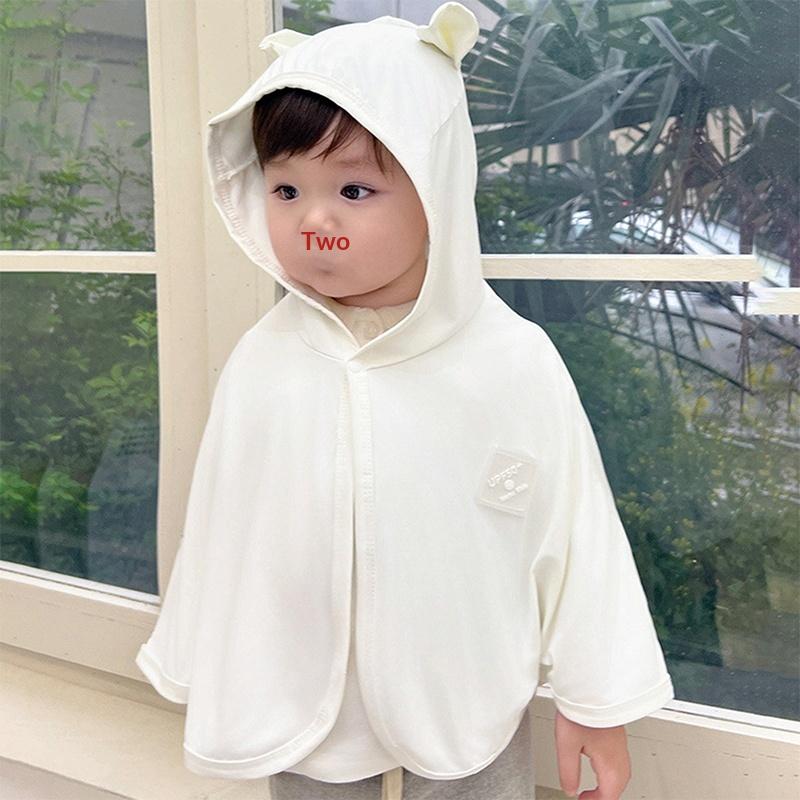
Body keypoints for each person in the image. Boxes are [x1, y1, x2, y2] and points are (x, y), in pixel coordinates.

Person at [135, 4, 675, 800]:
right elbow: (221, 523)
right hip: (299, 696)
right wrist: (199, 656)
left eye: (354, 188)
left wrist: (597, 699)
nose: (313, 219)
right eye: (285, 188)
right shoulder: (266, 360)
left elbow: (577, 531)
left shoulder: (511, 361)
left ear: (436, 186)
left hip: (469, 687)